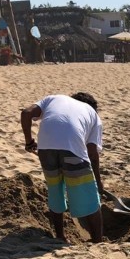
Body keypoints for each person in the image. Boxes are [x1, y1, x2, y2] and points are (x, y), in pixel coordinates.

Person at [20, 92, 104, 243]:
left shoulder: (54, 98)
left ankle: (60, 236)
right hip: (72, 152)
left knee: (55, 190)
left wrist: (29, 141)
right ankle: (98, 241)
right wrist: (98, 183)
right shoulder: (93, 114)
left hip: (45, 150)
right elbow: (92, 154)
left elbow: (26, 113)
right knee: (90, 197)